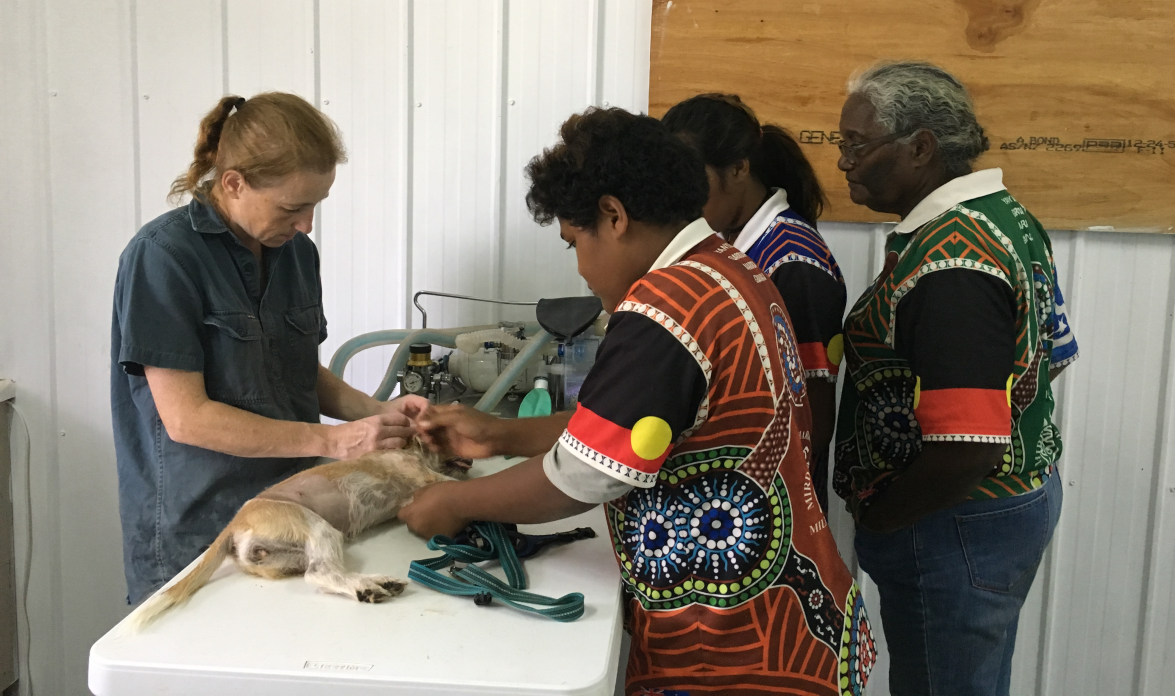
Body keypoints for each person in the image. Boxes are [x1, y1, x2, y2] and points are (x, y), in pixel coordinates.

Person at [400, 108, 875, 696]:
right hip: (796, 619)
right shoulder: (730, 268)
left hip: (732, 650)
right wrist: (501, 435)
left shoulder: (666, 305)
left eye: (574, 242)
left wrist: (454, 502)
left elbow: (586, 474)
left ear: (614, 215)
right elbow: (630, 425)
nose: (579, 267)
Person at [111, 92, 425, 604]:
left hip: (297, 514)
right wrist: (334, 441)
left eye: (315, 206)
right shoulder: (162, 258)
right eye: (292, 207)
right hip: (199, 528)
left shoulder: (295, 253)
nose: (306, 225)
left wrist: (380, 414)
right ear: (233, 182)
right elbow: (187, 419)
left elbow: (299, 371)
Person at [831, 61, 1079, 696]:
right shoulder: (1002, 215)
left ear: (921, 148)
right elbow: (1050, 349)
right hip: (995, 508)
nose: (843, 164)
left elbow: (967, 445)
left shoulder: (951, 263)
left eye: (856, 145)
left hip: (954, 521)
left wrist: (886, 516)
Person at [661, 93, 846, 513]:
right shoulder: (732, 242)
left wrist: (755, 495)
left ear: (739, 169)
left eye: (692, 178)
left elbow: (813, 412)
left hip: (770, 495)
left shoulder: (793, 261)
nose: (681, 197)